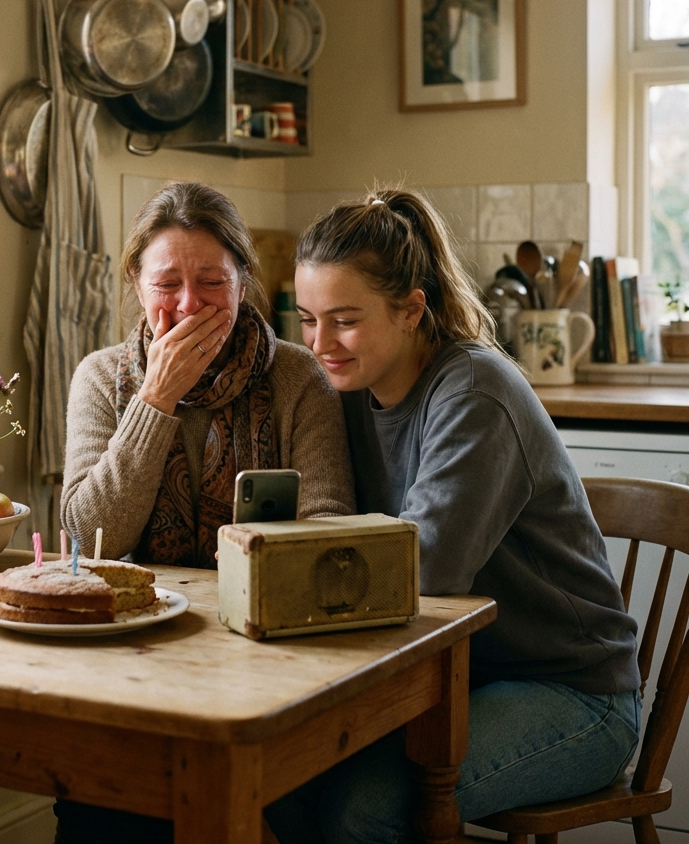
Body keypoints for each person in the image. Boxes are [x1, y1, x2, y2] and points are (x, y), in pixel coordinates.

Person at [265, 188, 641, 844]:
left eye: (344, 320)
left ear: (411, 310)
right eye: (307, 320)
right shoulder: (349, 385)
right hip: (448, 682)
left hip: (572, 692)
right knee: (285, 780)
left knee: (366, 806)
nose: (321, 344)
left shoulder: (474, 392)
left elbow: (428, 566)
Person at [56, 181, 354, 844]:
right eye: (168, 284)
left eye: (212, 282)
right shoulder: (101, 378)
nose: (190, 305)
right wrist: (155, 399)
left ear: (244, 282)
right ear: (136, 283)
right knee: (103, 808)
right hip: (133, 662)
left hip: (268, 663)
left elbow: (330, 533)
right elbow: (88, 536)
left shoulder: (298, 379)